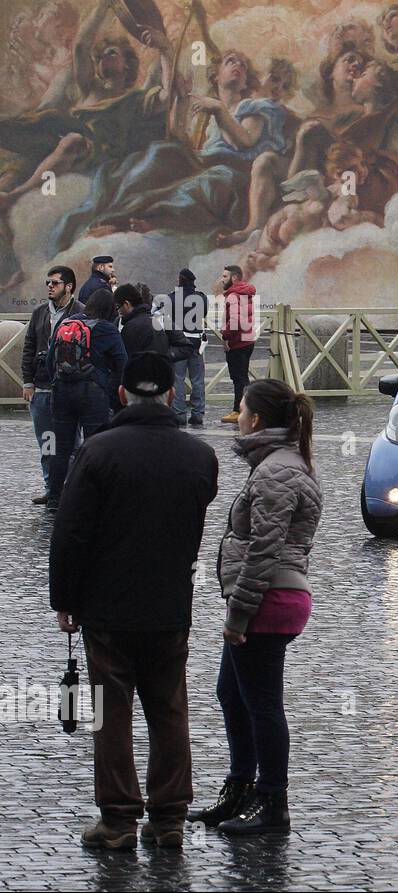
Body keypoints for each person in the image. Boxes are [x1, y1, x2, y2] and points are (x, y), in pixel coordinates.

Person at [49, 352, 220, 850]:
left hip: (108, 607)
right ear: (172, 393)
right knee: (169, 710)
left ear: (122, 393)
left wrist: (65, 598)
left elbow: (71, 531)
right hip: (170, 604)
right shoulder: (199, 456)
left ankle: (119, 819)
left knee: (111, 711)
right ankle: (169, 818)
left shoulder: (98, 452)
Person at [191, 379, 322, 835]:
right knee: (232, 693)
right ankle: (240, 789)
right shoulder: (274, 464)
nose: (236, 416)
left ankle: (272, 802)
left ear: (258, 420)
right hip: (266, 597)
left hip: (269, 601)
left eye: (240, 408)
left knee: (262, 703)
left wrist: (239, 615)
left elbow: (263, 552)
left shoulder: (275, 473)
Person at [45, 288, 128, 510]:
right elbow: (123, 363)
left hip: (62, 391)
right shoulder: (107, 329)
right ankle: (94, 496)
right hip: (92, 392)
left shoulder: (66, 324)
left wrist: (58, 382)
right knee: (96, 446)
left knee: (60, 448)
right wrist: (110, 391)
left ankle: (54, 497)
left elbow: (50, 359)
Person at [21, 265, 83, 504]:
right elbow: (28, 348)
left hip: (69, 388)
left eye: (55, 283)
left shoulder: (80, 312)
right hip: (42, 388)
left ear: (68, 287)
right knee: (47, 441)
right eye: (48, 282)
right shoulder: (39, 313)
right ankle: (51, 487)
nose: (49, 286)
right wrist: (28, 381)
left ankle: (73, 487)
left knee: (73, 443)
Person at [168, 268, 209, 427]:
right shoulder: (201, 298)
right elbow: (204, 314)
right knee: (198, 379)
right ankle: (198, 413)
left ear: (180, 279)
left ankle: (179, 414)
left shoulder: (172, 297)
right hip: (197, 342)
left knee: (178, 378)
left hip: (178, 342)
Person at [218, 265, 257, 424]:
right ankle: (247, 408)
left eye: (225, 276)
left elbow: (234, 322)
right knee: (243, 377)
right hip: (248, 340)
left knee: (238, 378)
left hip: (238, 342)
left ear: (234, 278)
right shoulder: (245, 293)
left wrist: (225, 337)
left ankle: (239, 411)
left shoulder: (233, 295)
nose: (222, 279)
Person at [114, 283, 168, 358]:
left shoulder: (131, 326)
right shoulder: (155, 322)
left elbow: (124, 357)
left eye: (118, 306)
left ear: (127, 304)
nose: (118, 311)